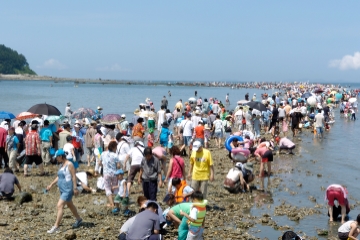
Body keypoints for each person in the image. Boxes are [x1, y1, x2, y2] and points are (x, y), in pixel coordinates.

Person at [46, 149, 82, 233]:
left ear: (61, 156)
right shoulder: (61, 165)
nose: (56, 159)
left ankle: (56, 226)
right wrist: (51, 184)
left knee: (59, 205)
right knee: (70, 205)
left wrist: (75, 188)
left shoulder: (70, 164)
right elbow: (59, 177)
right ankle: (79, 219)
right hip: (62, 189)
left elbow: (74, 176)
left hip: (68, 189)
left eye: (57, 157)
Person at [99, 141, 121, 207]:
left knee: (107, 188)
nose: (116, 149)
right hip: (114, 174)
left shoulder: (103, 154)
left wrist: (104, 166)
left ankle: (111, 203)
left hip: (106, 174)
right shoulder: (115, 155)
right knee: (115, 188)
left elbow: (100, 163)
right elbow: (118, 165)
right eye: (116, 147)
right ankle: (116, 204)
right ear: (114, 147)